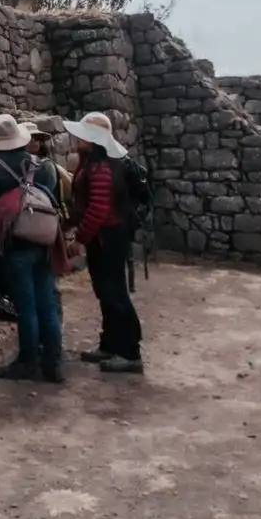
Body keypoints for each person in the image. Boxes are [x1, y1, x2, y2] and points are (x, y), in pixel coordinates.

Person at [0, 114, 66, 383]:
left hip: (15, 244)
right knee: (47, 304)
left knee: (26, 306)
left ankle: (27, 361)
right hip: (43, 239)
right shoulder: (40, 165)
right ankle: (52, 362)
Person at [66, 112, 143, 374]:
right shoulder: (94, 162)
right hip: (105, 237)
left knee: (115, 294)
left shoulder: (100, 167)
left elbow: (98, 208)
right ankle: (110, 344)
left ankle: (130, 352)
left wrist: (80, 238)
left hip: (109, 238)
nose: (77, 137)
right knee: (106, 292)